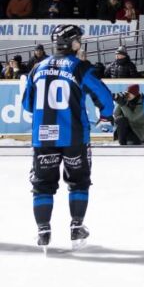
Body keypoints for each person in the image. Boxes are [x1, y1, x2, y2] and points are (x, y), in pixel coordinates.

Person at [22, 25, 113, 249]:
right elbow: (104, 96)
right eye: (78, 40)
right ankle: (76, 227)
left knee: (42, 185)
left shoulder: (37, 67)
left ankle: (43, 230)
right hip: (74, 136)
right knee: (78, 182)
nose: (80, 43)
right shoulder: (80, 67)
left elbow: (27, 105)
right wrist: (105, 116)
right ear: (72, 43)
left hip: (43, 137)